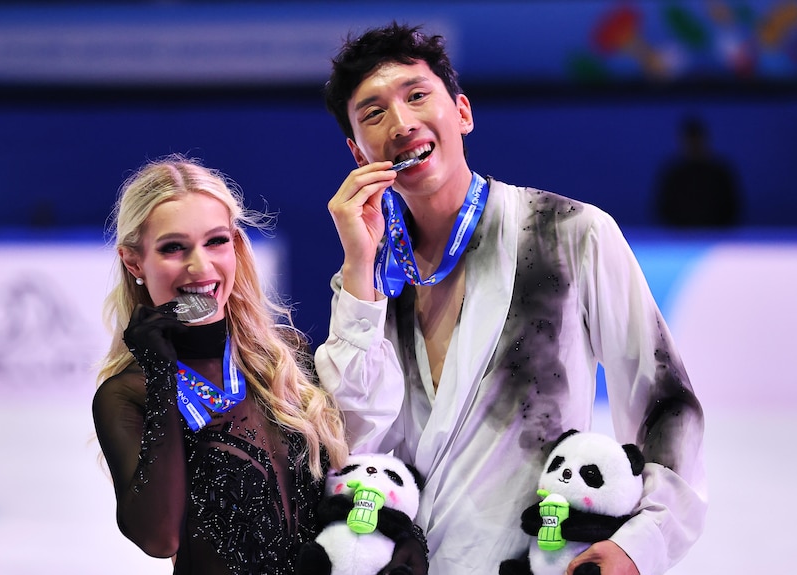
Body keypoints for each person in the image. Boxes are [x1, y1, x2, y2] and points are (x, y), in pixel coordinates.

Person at [314, 22, 707, 575]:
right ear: (359, 153)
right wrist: (359, 269)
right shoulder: (371, 276)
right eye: (374, 113)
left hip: (535, 560)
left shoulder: (569, 233)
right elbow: (351, 442)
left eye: (417, 95)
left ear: (463, 112)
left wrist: (642, 542)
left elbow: (664, 400)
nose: (401, 124)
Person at [92, 155, 350, 574]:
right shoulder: (128, 394)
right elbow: (159, 538)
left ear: (236, 246)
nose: (200, 267)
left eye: (216, 241)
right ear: (134, 262)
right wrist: (160, 376)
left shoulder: (285, 361)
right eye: (173, 247)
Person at [654, 115, 742, 228]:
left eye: (697, 140)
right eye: (690, 140)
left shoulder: (720, 173)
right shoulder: (673, 174)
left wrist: (717, 229)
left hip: (715, 233)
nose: (694, 145)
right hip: (679, 234)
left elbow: (732, 207)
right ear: (683, 141)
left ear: (704, 140)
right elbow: (663, 207)